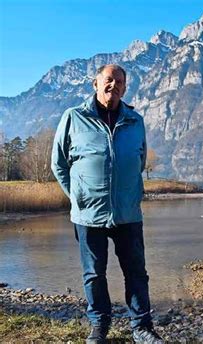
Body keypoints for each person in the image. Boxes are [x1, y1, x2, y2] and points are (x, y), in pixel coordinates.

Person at [51, 64, 162, 344]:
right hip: (88, 214)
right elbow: (59, 163)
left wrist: (130, 193)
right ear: (96, 83)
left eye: (120, 82)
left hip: (127, 214)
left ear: (125, 88)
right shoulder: (73, 118)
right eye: (109, 80)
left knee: (136, 272)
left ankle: (142, 328)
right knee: (93, 274)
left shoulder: (135, 121)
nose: (114, 85)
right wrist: (78, 196)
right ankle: (99, 325)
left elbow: (138, 161)